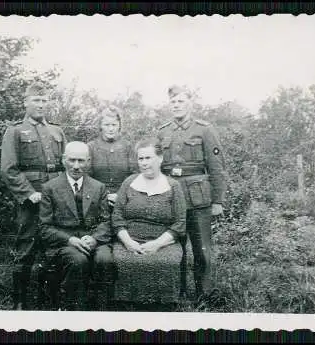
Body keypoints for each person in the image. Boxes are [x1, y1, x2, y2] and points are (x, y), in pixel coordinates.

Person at [0, 81, 67, 310]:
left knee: (55, 245)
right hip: (31, 200)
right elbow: (9, 169)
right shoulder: (16, 130)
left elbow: (65, 166)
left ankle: (51, 298)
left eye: (44, 100)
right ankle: (19, 300)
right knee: (26, 246)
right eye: (36, 100)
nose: (40, 104)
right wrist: (29, 193)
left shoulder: (57, 131)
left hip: (56, 198)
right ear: (25, 103)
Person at [157, 85, 227, 304]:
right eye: (173, 102)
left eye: (181, 101)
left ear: (190, 103)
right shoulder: (163, 131)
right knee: (173, 247)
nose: (177, 105)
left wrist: (218, 200)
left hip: (198, 197)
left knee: (202, 248)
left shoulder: (205, 129)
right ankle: (175, 293)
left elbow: (216, 167)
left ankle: (205, 294)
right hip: (170, 196)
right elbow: (157, 166)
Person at [111, 138, 187, 308]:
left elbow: (180, 222)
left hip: (164, 241)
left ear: (160, 159)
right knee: (125, 261)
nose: (144, 163)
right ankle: (126, 307)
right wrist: (128, 242)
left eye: (148, 158)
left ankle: (161, 308)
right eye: (141, 159)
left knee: (164, 262)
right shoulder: (129, 182)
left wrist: (157, 244)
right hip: (129, 240)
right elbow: (117, 217)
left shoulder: (173, 186)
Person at [39, 141, 115, 311]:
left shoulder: (98, 187)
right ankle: (70, 308)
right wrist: (70, 240)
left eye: (81, 161)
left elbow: (106, 221)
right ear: (64, 160)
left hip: (93, 239)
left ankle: (101, 309)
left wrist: (95, 239)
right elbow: (45, 228)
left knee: (105, 259)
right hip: (64, 243)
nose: (76, 166)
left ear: (88, 161)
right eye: (72, 160)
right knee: (77, 260)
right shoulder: (50, 188)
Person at [87, 106, 137, 209]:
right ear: (101, 126)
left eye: (114, 125)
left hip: (124, 198)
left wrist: (120, 195)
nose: (110, 129)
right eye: (107, 125)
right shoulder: (91, 147)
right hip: (97, 199)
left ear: (119, 126)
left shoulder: (128, 146)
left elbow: (134, 175)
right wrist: (102, 196)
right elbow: (86, 176)